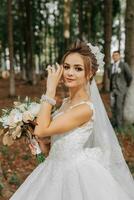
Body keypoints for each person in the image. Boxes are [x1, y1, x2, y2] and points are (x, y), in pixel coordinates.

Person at [10, 41, 134, 200]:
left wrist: (50, 90)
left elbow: (41, 129)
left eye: (78, 68)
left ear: (89, 74)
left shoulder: (85, 109)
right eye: (66, 66)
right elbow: (57, 140)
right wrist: (45, 145)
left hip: (75, 174)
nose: (69, 72)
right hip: (52, 168)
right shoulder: (67, 102)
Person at [108, 51, 132, 129]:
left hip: (121, 90)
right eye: (113, 55)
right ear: (112, 57)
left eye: (116, 55)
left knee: (119, 107)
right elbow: (110, 77)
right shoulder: (111, 66)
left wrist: (125, 86)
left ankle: (119, 126)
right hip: (113, 90)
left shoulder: (124, 65)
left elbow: (130, 77)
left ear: (119, 56)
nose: (115, 57)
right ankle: (114, 123)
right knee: (112, 106)